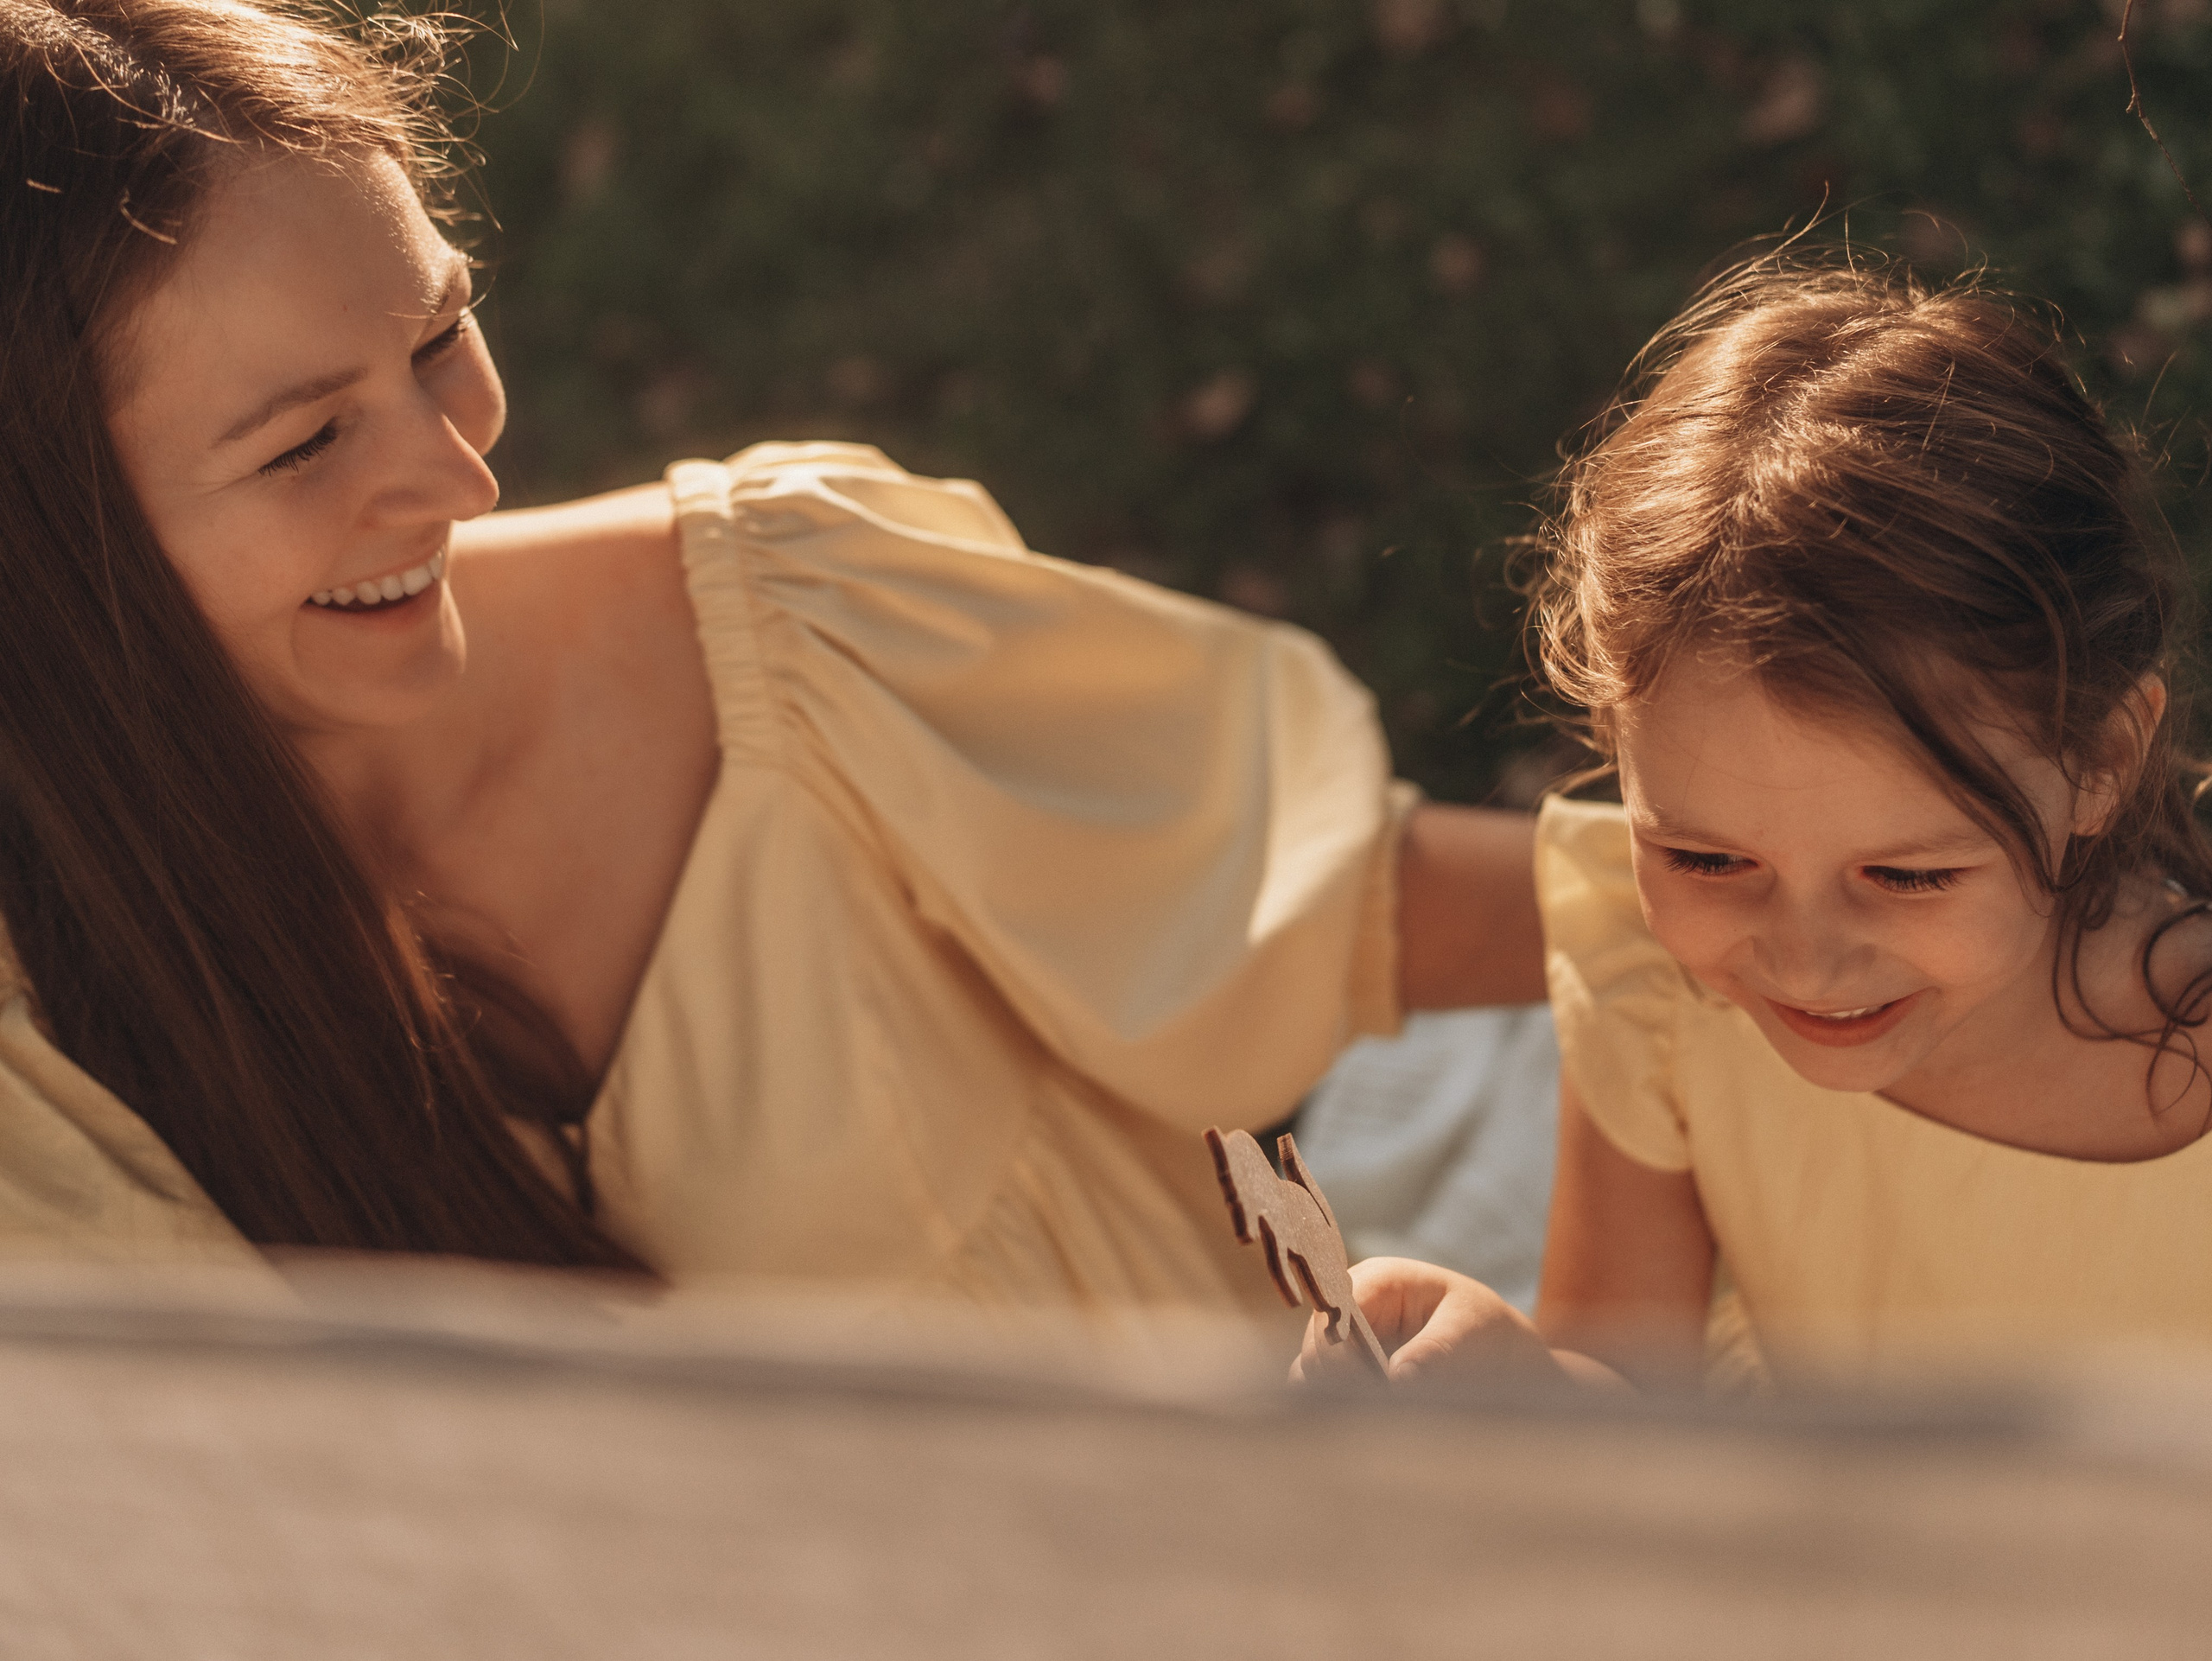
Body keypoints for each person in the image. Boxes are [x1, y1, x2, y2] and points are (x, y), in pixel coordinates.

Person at [0, 0, 1547, 1307]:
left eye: (436, 341)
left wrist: (1605, 1327)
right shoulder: (43, 1053)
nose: (459, 479)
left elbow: (1394, 913)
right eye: (310, 441)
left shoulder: (797, 628)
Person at [1319, 254, 2212, 1388]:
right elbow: (1634, 1383)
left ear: (2104, 758)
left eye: (1906, 875)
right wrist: (1521, 1374)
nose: (1802, 956)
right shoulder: (1663, 997)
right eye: (1705, 856)